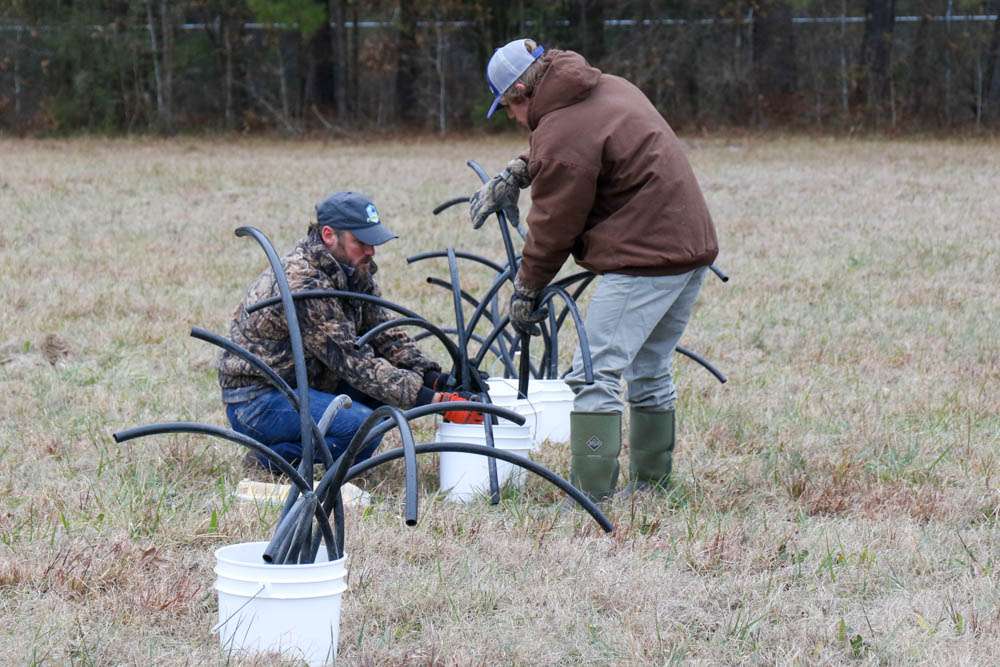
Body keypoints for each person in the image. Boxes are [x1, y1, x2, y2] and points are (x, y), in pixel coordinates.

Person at [470, 39, 719, 501]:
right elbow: (578, 146)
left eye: (508, 106)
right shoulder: (606, 87)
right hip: (689, 248)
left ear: (524, 90)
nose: (511, 118)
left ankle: (590, 496)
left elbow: (553, 226)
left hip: (645, 257)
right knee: (648, 367)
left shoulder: (563, 127)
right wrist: (519, 171)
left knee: (593, 372)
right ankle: (651, 487)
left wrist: (526, 289)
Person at [218, 191, 475, 472]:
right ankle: (270, 458)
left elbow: (381, 332)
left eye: (373, 242)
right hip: (258, 400)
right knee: (361, 431)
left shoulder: (353, 268)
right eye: (361, 242)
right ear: (329, 235)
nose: (371, 251)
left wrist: (435, 378)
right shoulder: (303, 283)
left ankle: (301, 442)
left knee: (383, 396)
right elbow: (352, 360)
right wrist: (434, 401)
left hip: (309, 384)